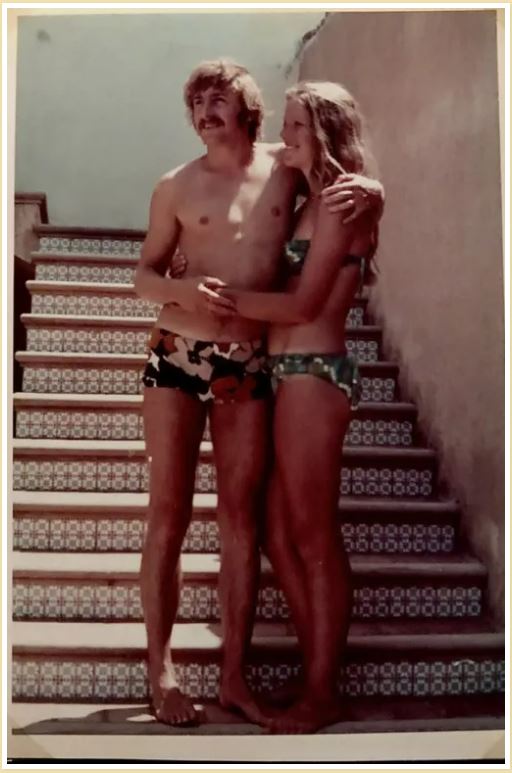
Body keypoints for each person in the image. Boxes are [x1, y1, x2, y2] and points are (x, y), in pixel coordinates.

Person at [134, 59, 383, 727]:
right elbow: (144, 276)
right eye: (196, 101)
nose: (206, 111)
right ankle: (160, 670)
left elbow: (342, 166)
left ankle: (235, 677)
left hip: (246, 358)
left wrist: (376, 189)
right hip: (177, 352)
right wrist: (182, 291)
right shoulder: (174, 186)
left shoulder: (286, 163)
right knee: (169, 511)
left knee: (241, 517)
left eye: (219, 99)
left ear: (248, 108)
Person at [203, 80, 380, 733]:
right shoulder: (317, 193)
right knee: (278, 533)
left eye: (299, 126)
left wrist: (227, 301)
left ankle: (322, 688)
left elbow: (306, 305)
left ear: (327, 129)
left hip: (313, 373)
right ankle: (317, 673)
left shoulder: (339, 201)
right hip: (283, 374)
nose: (287, 137)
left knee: (312, 534)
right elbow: (271, 150)